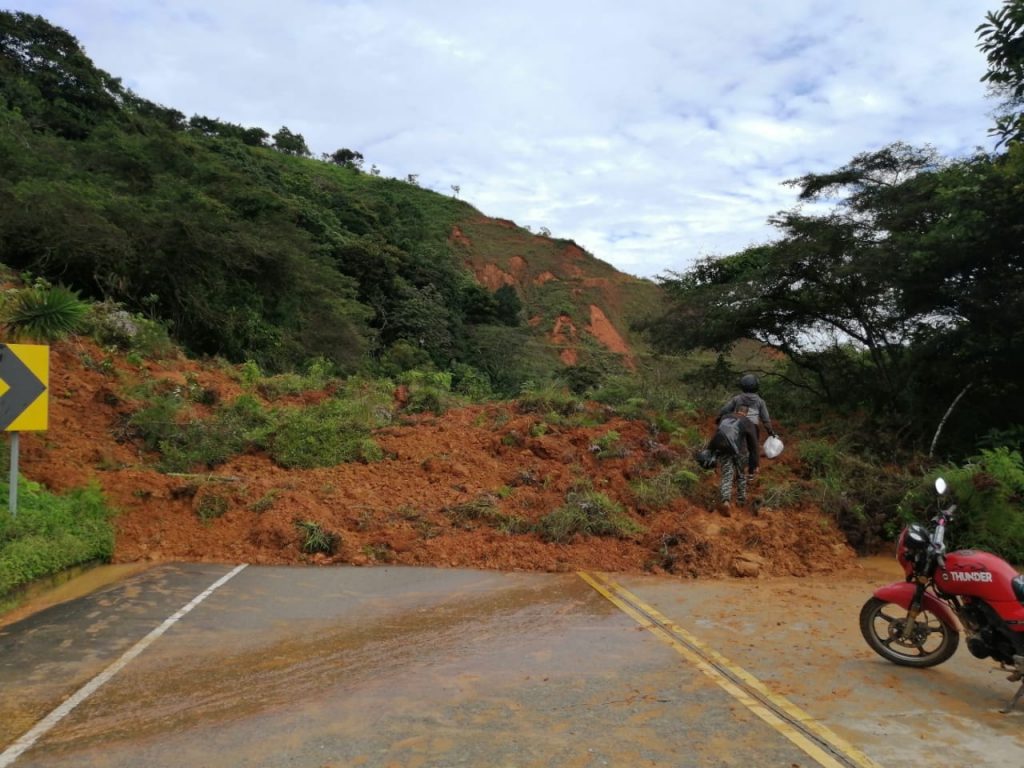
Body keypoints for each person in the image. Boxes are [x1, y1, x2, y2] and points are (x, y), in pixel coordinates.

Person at [708, 412, 759, 515]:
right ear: (746, 413)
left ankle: (725, 501)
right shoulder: (747, 422)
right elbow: (754, 446)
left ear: (737, 410)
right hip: (741, 452)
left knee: (727, 474)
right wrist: (753, 466)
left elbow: (719, 434)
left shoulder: (725, 417)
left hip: (724, 449)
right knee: (741, 475)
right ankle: (741, 501)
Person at [718, 374, 778, 442]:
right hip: (753, 428)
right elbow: (766, 420)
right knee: (754, 451)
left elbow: (724, 410)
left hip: (737, 426)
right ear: (757, 386)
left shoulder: (737, 399)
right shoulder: (760, 402)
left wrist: (719, 417)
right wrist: (770, 432)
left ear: (742, 386)